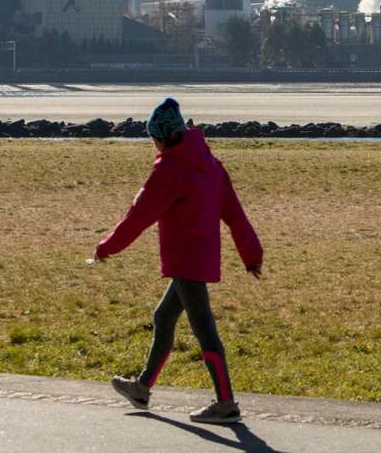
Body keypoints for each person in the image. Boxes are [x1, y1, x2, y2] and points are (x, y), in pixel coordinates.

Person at [92, 97, 263, 424]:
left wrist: (107, 246)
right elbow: (235, 214)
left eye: (153, 138)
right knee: (163, 316)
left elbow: (138, 215)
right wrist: (251, 254)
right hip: (201, 256)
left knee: (205, 330)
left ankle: (226, 403)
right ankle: (142, 387)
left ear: (162, 136)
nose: (153, 145)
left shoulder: (169, 168)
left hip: (185, 259)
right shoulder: (210, 163)